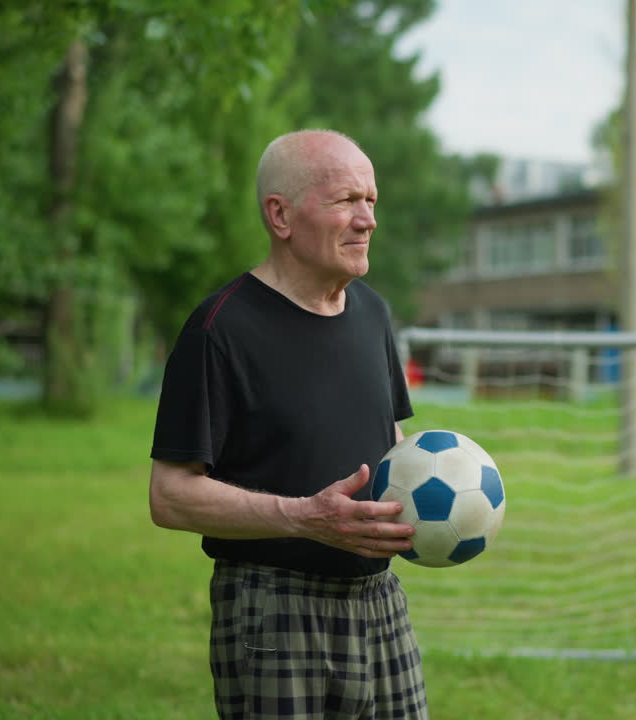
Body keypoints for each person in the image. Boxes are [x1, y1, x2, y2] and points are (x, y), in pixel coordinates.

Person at [148, 129, 427, 719]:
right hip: (275, 608)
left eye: (372, 201)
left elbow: (386, 439)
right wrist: (305, 518)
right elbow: (170, 497)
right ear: (280, 215)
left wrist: (432, 479)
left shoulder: (373, 313)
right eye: (347, 200)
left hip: (380, 602)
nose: (368, 219)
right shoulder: (218, 330)